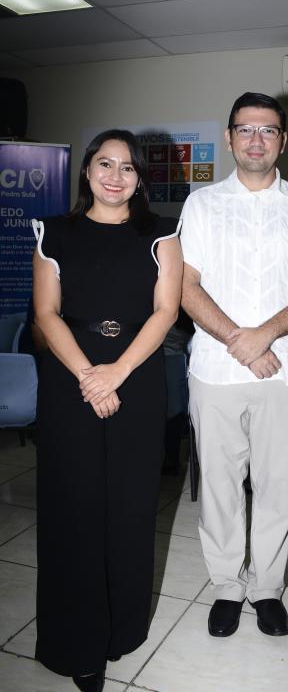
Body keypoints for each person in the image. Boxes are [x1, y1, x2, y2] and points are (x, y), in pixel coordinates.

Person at [179, 92, 288, 638]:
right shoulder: (200, 205)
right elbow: (185, 283)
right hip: (215, 369)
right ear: (229, 138)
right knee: (220, 486)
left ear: (283, 141)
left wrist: (265, 335)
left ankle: (267, 588)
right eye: (245, 130)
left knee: (276, 486)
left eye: (267, 130)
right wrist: (236, 339)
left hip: (285, 368)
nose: (255, 140)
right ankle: (228, 585)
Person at [32, 129, 182, 691]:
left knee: (128, 508)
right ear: (87, 171)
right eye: (104, 164)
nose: (115, 176)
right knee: (74, 509)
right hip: (70, 382)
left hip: (136, 382)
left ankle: (122, 631)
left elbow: (165, 311)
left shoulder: (162, 233)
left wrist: (115, 373)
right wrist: (88, 377)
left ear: (140, 178)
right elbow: (47, 314)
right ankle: (79, 644)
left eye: (127, 168)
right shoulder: (55, 232)